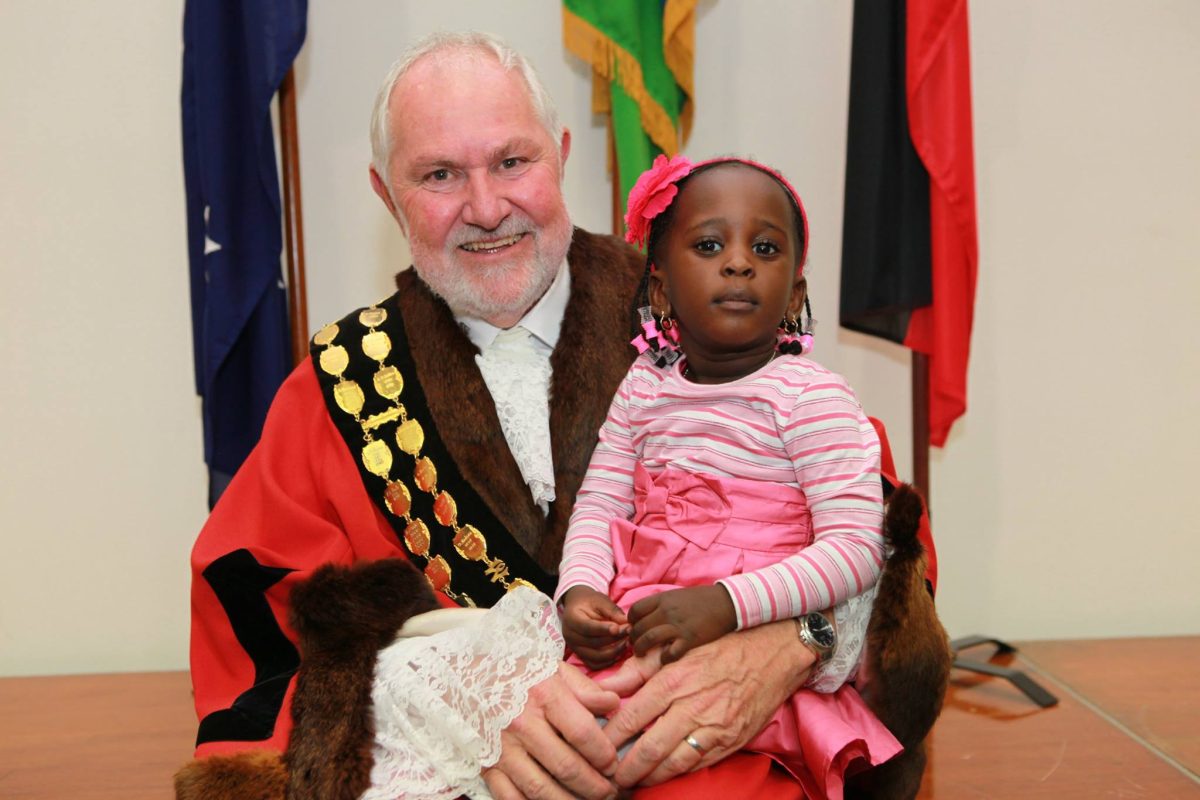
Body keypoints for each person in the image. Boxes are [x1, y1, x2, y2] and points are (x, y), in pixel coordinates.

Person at [174, 31, 950, 800]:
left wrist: (795, 643)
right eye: (439, 175)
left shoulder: (707, 315)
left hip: (731, 768)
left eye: (513, 162)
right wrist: (450, 691)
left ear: (562, 154)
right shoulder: (337, 391)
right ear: (386, 193)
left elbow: (882, 542)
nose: (486, 207)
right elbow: (252, 636)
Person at [556, 155, 899, 799]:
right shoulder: (642, 387)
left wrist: (727, 603)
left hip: (752, 650)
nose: (739, 262)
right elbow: (600, 502)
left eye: (765, 248)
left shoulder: (812, 399)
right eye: (710, 244)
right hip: (638, 632)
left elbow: (856, 552)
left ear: (794, 293)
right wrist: (577, 590)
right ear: (659, 288)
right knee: (555, 759)